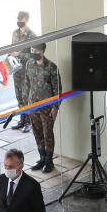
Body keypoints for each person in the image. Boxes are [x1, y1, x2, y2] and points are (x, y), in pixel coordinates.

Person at [24, 43, 62, 173]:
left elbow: (57, 89)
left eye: (36, 50)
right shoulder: (29, 64)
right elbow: (26, 84)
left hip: (47, 108)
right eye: (32, 50)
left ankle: (49, 160)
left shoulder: (51, 67)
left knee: (47, 133)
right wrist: (25, 104)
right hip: (33, 106)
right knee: (37, 132)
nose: (33, 52)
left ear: (43, 51)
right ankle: (42, 158)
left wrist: (55, 107)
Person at [10, 10, 38, 134]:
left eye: (21, 20)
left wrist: (19, 54)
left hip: (27, 70)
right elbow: (11, 48)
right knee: (19, 96)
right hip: (17, 70)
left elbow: (34, 55)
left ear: (26, 20)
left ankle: (28, 121)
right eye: (18, 20)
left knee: (27, 96)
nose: (19, 22)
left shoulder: (32, 36)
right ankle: (22, 119)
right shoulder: (15, 33)